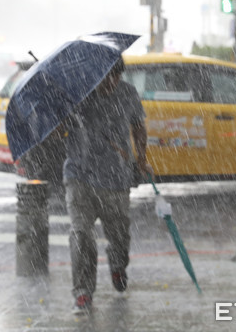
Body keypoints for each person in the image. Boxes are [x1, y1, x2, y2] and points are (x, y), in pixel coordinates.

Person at [60, 56, 153, 313]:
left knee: (120, 235)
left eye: (116, 76)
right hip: (79, 176)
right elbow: (58, 131)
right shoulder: (76, 95)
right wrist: (61, 110)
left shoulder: (127, 93)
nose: (111, 82)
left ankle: (118, 265)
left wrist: (141, 159)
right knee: (81, 235)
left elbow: (138, 127)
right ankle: (82, 292)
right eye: (106, 76)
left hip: (116, 178)